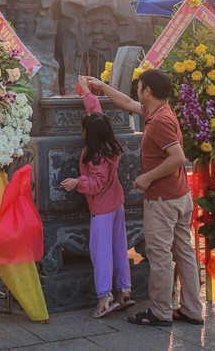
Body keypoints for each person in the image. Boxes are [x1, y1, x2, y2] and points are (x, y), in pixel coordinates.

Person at [86, 69, 204, 327]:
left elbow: (178, 157)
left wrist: (147, 177)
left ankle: (161, 311)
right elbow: (127, 103)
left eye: (139, 85)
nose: (137, 90)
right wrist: (102, 87)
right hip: (179, 195)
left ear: (147, 90)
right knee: (184, 252)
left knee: (160, 255)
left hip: (163, 198)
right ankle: (192, 309)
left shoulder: (160, 121)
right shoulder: (159, 111)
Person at [61, 77, 134, 317]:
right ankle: (124, 290)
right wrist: (86, 95)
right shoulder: (108, 144)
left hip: (102, 209)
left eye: (83, 128)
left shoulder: (96, 156)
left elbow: (96, 183)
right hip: (117, 205)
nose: (81, 130)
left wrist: (76, 182)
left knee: (100, 252)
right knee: (119, 248)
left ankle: (104, 296)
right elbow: (97, 114)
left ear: (89, 134)